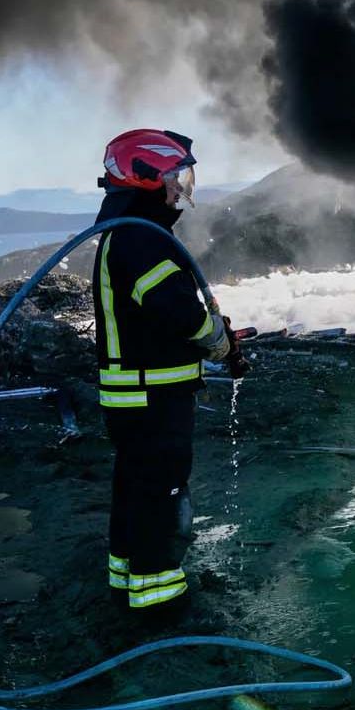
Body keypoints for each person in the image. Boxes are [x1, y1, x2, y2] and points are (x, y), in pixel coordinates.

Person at [90, 129, 248, 616]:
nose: (181, 189)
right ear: (145, 179)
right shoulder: (140, 241)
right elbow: (179, 312)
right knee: (162, 494)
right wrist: (218, 339)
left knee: (135, 490)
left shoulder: (129, 235)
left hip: (136, 398)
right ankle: (158, 600)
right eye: (175, 178)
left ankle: (127, 579)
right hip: (152, 399)